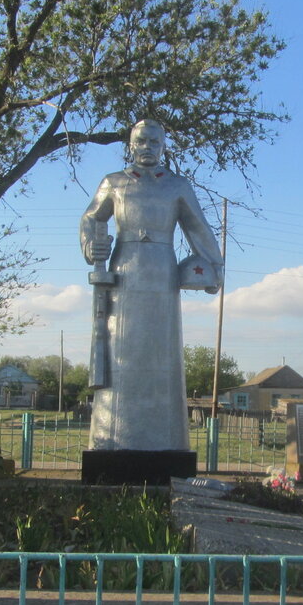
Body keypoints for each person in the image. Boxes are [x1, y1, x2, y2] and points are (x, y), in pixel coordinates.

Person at [80, 119, 224, 451]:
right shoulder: (113, 183)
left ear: (163, 148)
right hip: (123, 273)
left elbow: (198, 228)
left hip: (162, 273)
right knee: (119, 351)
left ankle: (165, 441)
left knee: (161, 354)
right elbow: (91, 218)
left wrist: (214, 267)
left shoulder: (177, 186)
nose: (147, 148)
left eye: (154, 143)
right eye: (141, 141)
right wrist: (91, 244)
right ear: (130, 145)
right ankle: (112, 441)